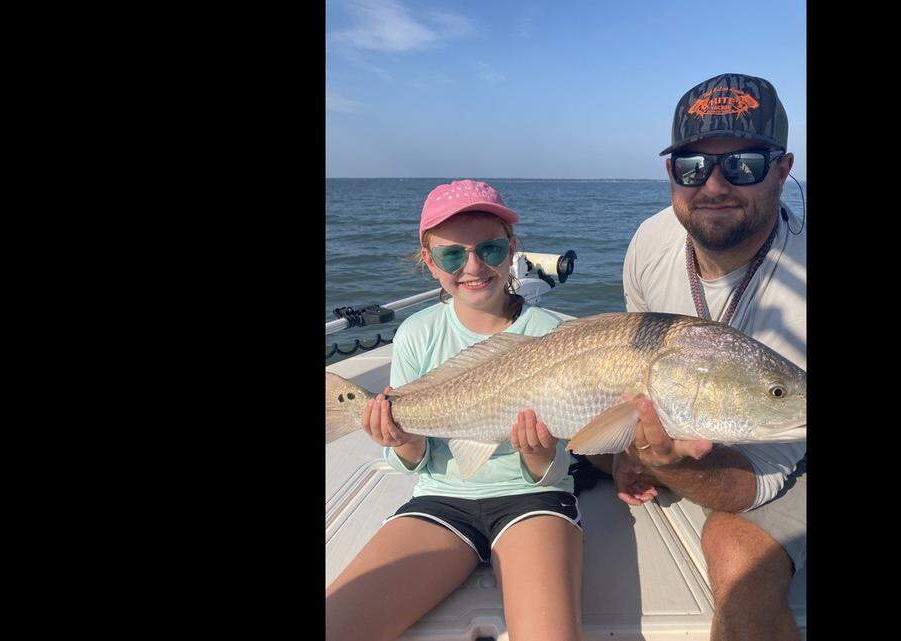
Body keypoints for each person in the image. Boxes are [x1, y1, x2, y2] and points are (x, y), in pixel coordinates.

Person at [325, 180, 582, 641]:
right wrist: (401, 439)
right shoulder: (416, 334)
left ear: (512, 250)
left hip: (534, 501)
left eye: (490, 249)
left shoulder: (556, 335)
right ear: (429, 262)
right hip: (440, 500)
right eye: (451, 256)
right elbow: (413, 462)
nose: (473, 266)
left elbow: (564, 453)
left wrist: (539, 455)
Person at [607, 73, 807, 641]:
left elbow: (759, 479)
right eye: (691, 167)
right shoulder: (650, 240)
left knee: (734, 556)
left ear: (783, 168)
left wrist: (668, 464)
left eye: (743, 163)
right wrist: (632, 451)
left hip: (788, 446)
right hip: (695, 411)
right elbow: (627, 358)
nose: (713, 185)